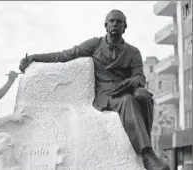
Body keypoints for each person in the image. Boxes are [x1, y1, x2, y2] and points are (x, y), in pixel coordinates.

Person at [19, 10, 170, 170]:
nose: (115, 24)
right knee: (129, 101)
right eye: (111, 21)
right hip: (106, 95)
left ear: (125, 27)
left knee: (144, 95)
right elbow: (65, 55)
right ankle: (146, 154)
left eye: (119, 21)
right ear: (106, 25)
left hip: (126, 90)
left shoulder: (133, 52)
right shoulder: (96, 44)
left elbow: (140, 77)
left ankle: (149, 149)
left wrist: (131, 81)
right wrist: (35, 57)